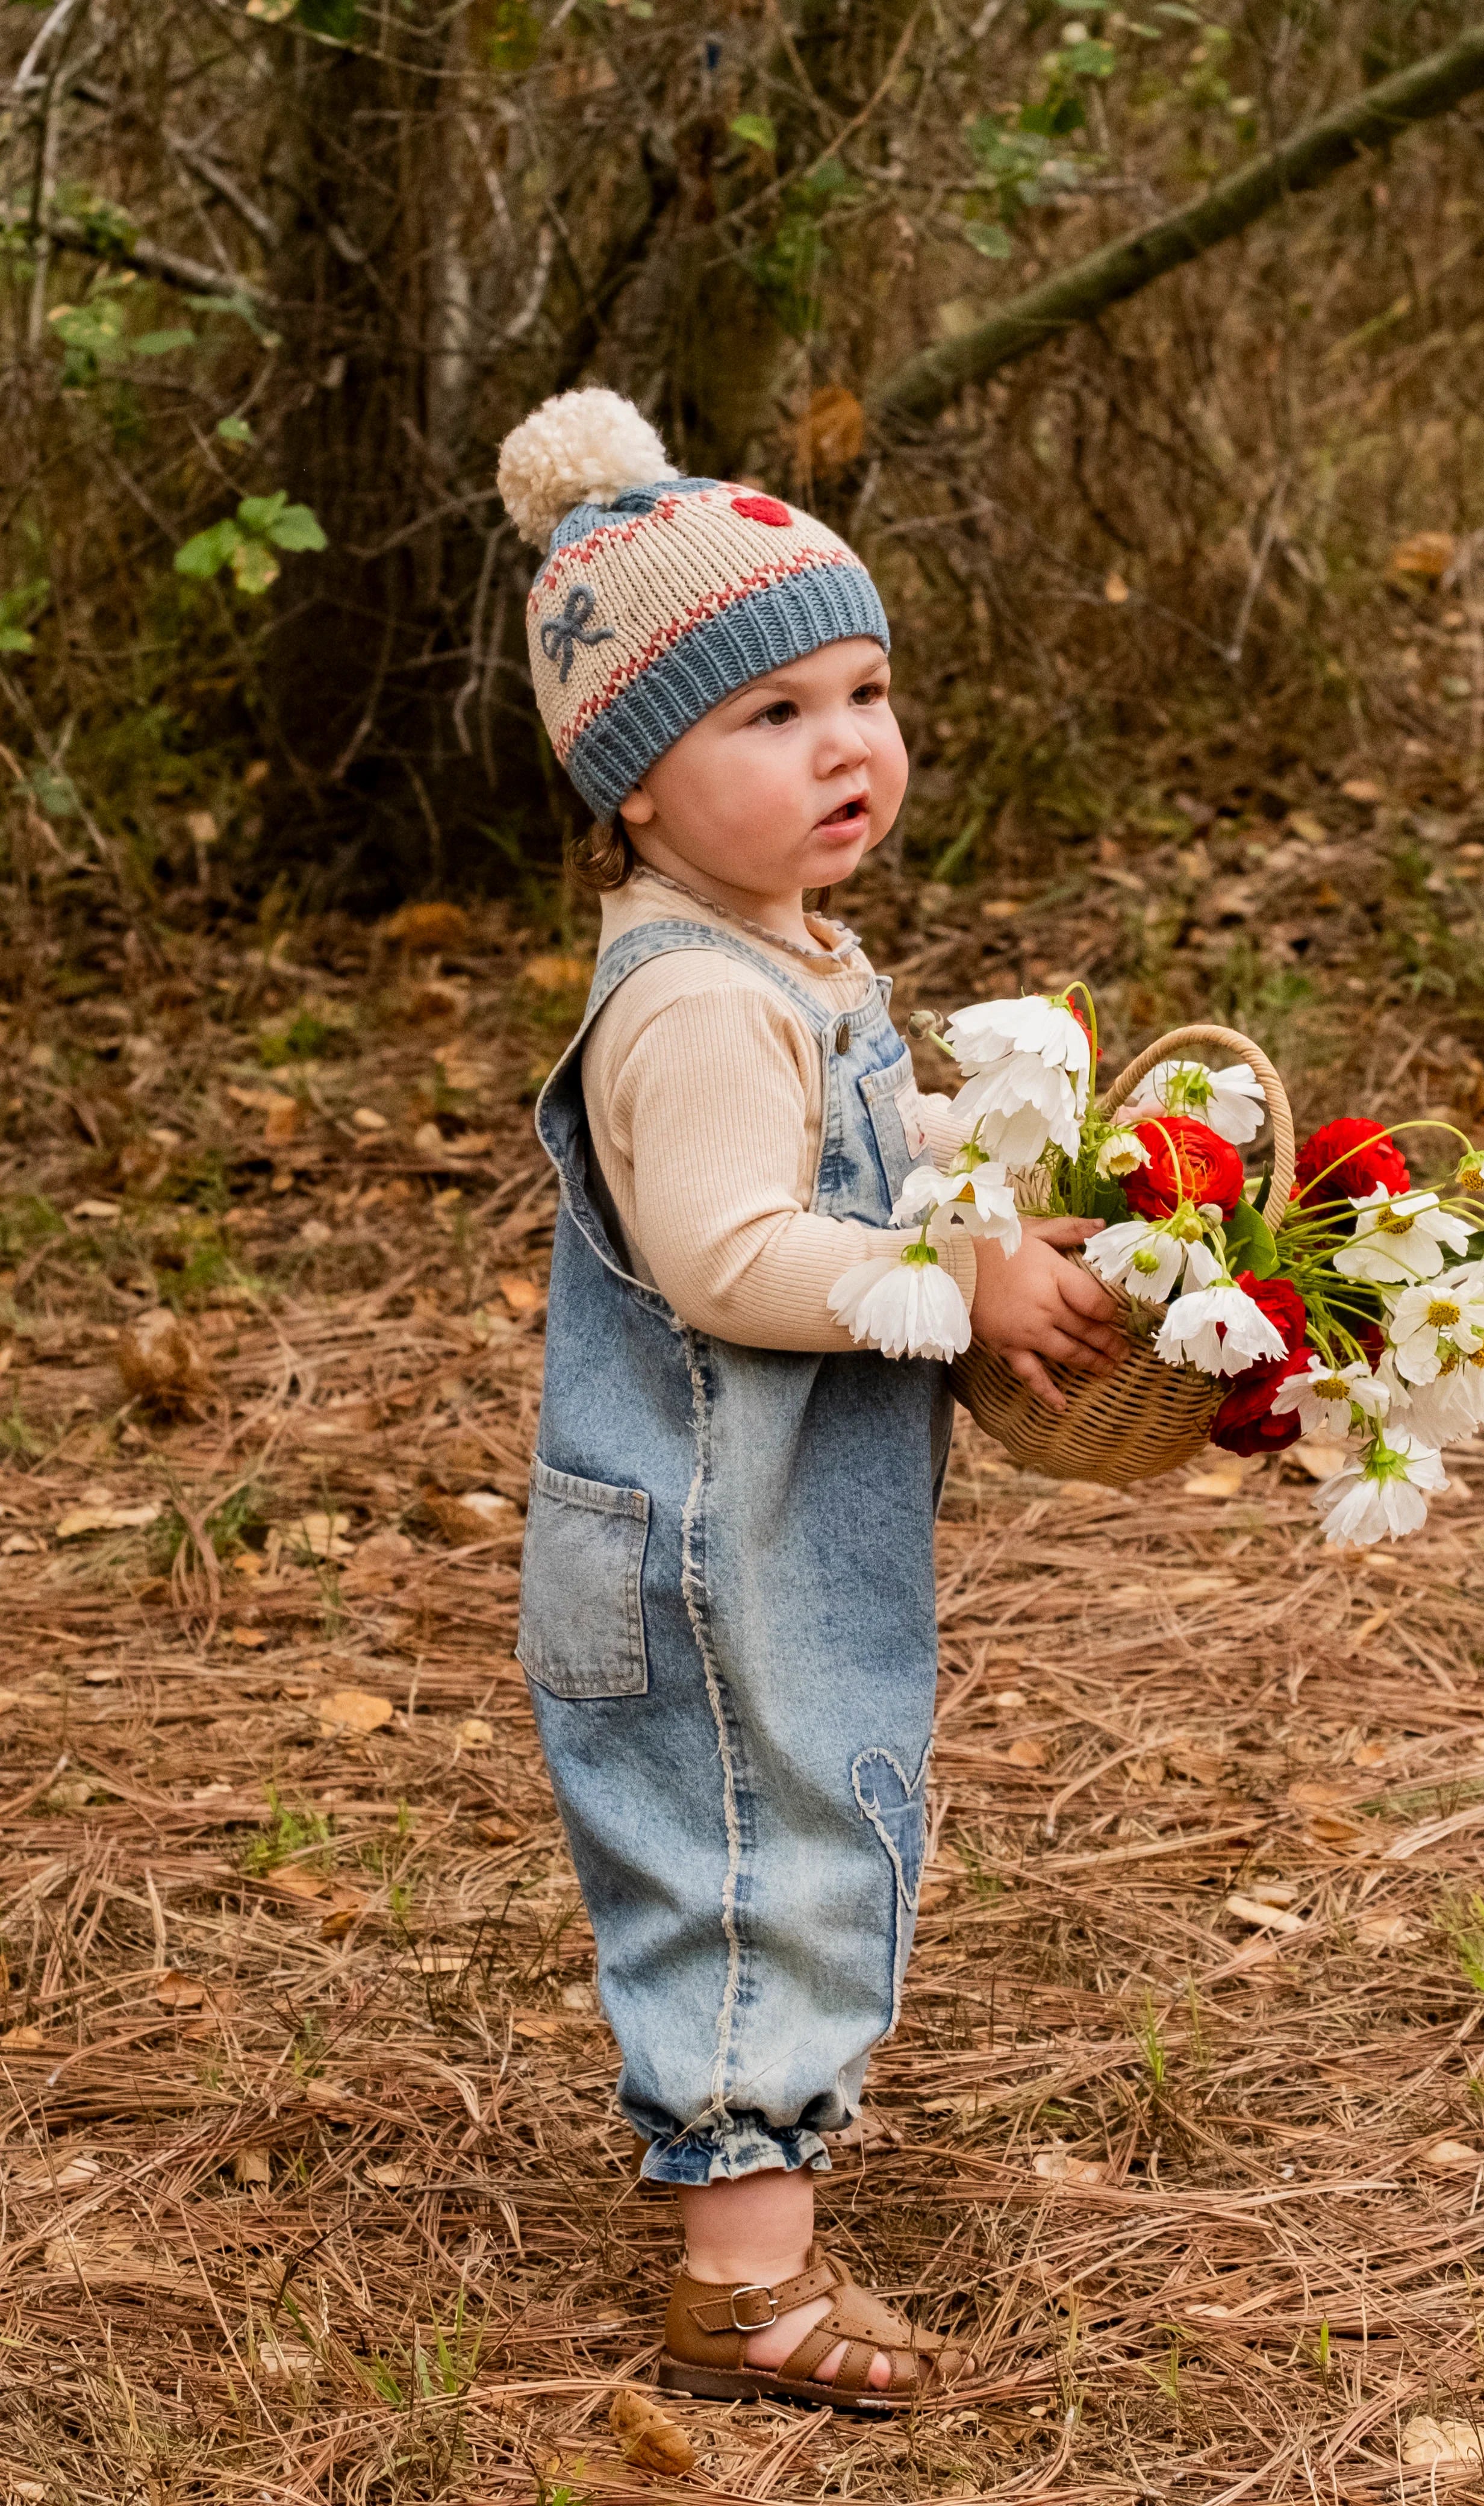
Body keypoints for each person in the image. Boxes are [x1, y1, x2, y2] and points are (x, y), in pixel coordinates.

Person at [497, 388, 1119, 2412]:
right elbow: (729, 1256)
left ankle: (764, 2210)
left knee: (818, 1824)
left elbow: (863, 1155)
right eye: (768, 718)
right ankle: (744, 2289)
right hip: (690, 1538)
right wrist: (959, 1273)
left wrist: (1000, 1178)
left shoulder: (788, 956)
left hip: (769, 1520)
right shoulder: (687, 1001)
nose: (845, 741)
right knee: (751, 1857)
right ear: (634, 796)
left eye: (861, 689)